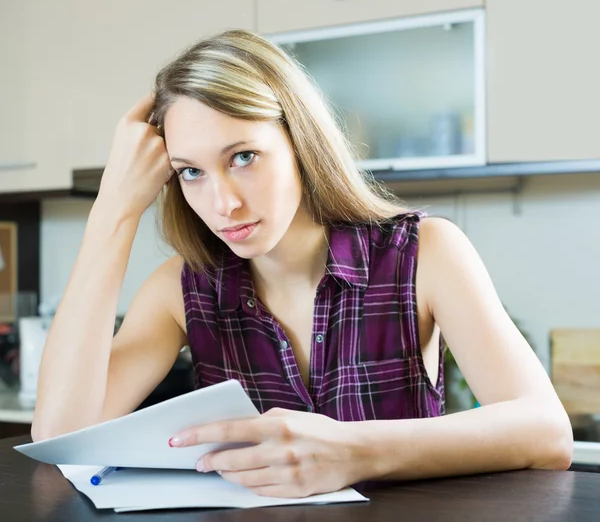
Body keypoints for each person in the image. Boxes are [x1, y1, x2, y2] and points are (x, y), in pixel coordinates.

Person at [31, 29, 572, 498]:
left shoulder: (425, 252)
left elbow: (545, 433)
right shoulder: (180, 288)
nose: (223, 204)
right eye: (190, 172)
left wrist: (351, 451)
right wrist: (113, 212)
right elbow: (61, 435)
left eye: (243, 157)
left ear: (300, 143)